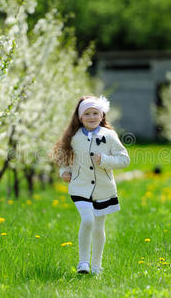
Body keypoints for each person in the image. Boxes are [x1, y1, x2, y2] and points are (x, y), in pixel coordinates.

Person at [52, 95, 130, 275]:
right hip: (80, 187)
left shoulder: (109, 135)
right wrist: (64, 171)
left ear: (102, 115)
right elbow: (64, 158)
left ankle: (96, 266)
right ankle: (83, 263)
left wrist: (104, 160)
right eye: (87, 113)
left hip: (104, 189)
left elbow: (124, 160)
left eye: (95, 113)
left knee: (98, 227)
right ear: (80, 117)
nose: (92, 117)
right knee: (87, 220)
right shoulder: (73, 137)